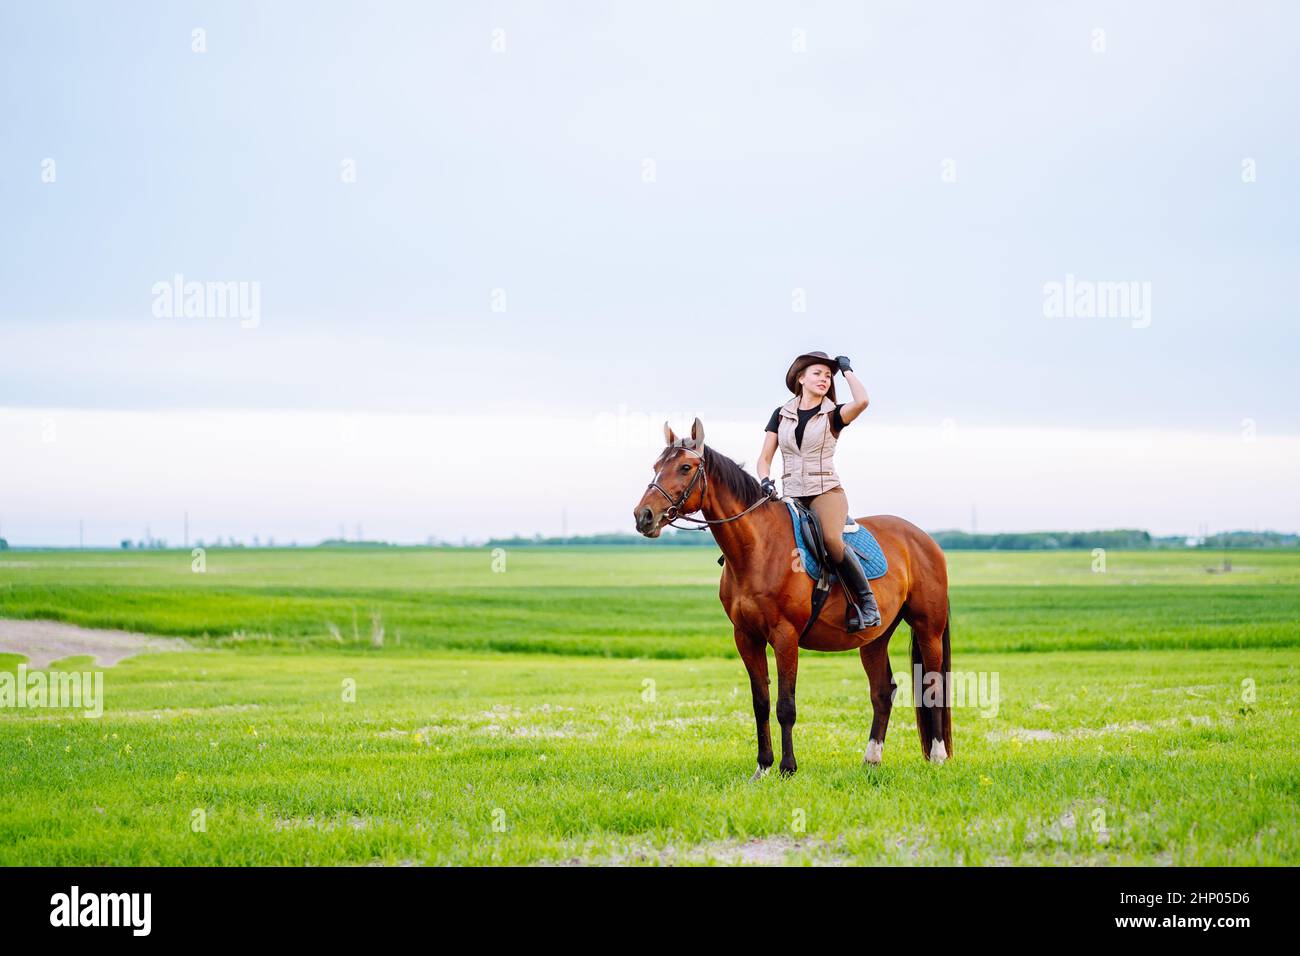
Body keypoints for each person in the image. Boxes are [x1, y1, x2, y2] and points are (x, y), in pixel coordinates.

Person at [757, 351, 881, 630]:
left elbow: (863, 401)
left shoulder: (834, 414)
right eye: (817, 373)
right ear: (800, 378)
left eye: (828, 376)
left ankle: (867, 603)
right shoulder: (781, 414)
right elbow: (764, 458)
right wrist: (765, 480)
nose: (824, 379)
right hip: (790, 494)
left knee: (831, 540)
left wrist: (847, 370)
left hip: (825, 492)